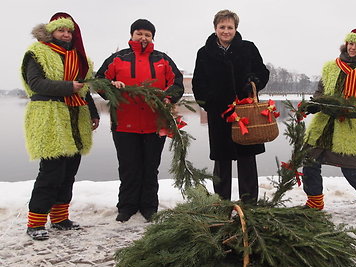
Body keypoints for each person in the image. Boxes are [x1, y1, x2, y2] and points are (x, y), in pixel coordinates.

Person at [20, 12, 100, 240]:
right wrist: (68, 87)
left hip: (76, 118)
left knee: (68, 172)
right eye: (61, 30)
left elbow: (84, 89)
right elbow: (36, 83)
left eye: (69, 31)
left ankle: (60, 218)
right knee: (51, 173)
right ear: (51, 32)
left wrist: (93, 113)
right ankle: (35, 221)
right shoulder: (37, 53)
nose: (65, 34)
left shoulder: (79, 57)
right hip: (50, 118)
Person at [96, 19, 184, 222]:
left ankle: (149, 206)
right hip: (124, 124)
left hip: (155, 124)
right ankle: (126, 206)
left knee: (150, 167)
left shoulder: (163, 59)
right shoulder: (118, 59)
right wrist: (111, 86)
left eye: (148, 35)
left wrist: (168, 97)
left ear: (152, 37)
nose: (143, 38)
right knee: (128, 166)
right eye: (139, 34)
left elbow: (177, 82)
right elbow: (100, 81)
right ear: (132, 35)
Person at [301, 28, 356, 214]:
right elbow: (320, 92)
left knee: (351, 170)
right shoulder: (331, 67)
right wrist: (314, 104)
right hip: (322, 125)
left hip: (347, 127)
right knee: (310, 163)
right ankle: (314, 203)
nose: (353, 48)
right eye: (350, 43)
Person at [192, 10, 270, 205]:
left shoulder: (248, 48)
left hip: (246, 112)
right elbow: (198, 83)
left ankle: (249, 203)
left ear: (236, 29)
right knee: (221, 160)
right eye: (222, 27)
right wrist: (210, 103)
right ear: (215, 28)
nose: (226, 31)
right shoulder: (204, 53)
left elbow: (262, 71)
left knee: (247, 159)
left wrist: (254, 81)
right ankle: (221, 202)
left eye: (230, 27)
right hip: (220, 114)